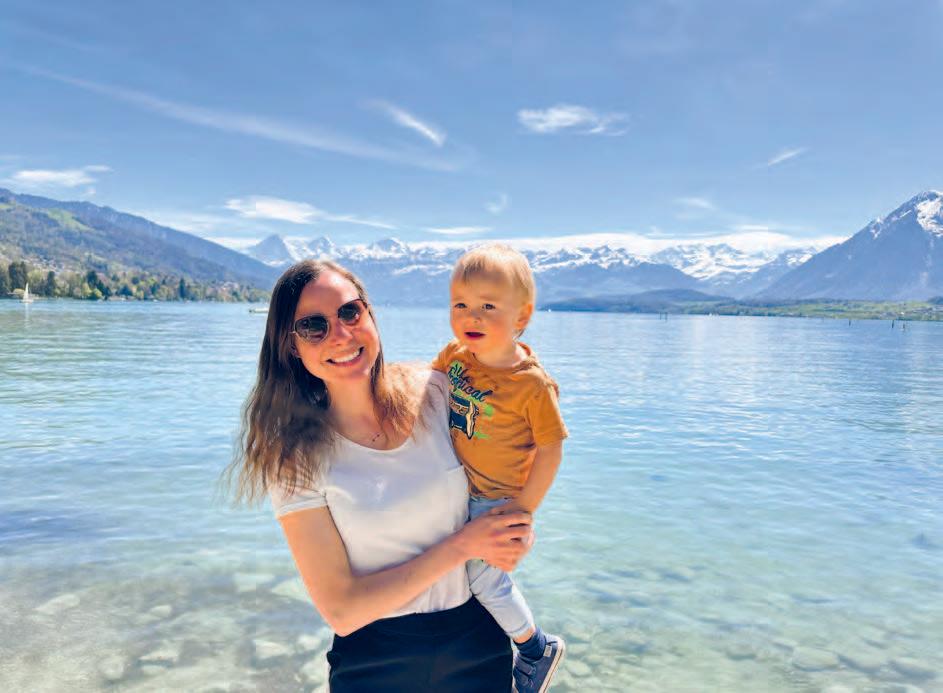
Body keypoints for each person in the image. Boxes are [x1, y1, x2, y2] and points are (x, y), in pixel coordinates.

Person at [229, 259, 535, 692]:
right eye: (314, 326)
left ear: (370, 314)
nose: (340, 333)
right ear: (292, 346)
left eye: (350, 312)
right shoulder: (295, 457)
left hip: (479, 643)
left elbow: (513, 449)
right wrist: (463, 546)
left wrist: (517, 523)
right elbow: (342, 610)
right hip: (376, 661)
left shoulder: (438, 392)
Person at [432, 244, 568, 693]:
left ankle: (534, 647)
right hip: (456, 489)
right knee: (448, 568)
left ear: (521, 316)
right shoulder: (455, 357)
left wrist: (524, 509)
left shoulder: (531, 384)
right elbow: (423, 388)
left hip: (495, 500)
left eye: (488, 307)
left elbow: (551, 449)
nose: (472, 317)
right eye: (461, 305)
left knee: (483, 579)